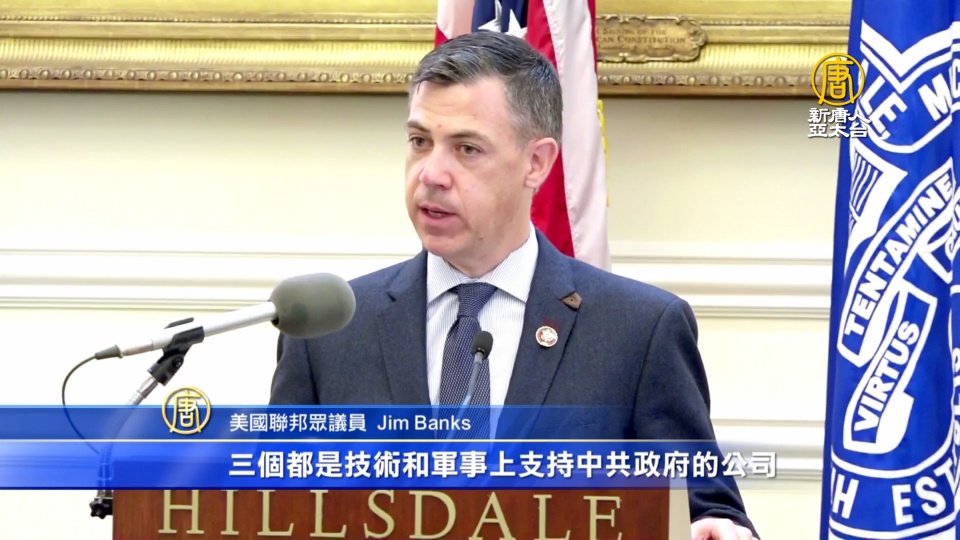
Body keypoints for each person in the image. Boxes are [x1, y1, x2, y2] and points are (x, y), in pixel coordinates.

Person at [270, 31, 758, 540]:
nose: (431, 174)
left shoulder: (638, 331)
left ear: (537, 163)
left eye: (467, 149)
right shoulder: (329, 333)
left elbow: (704, 509)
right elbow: (275, 508)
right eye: (420, 142)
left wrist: (713, 527)